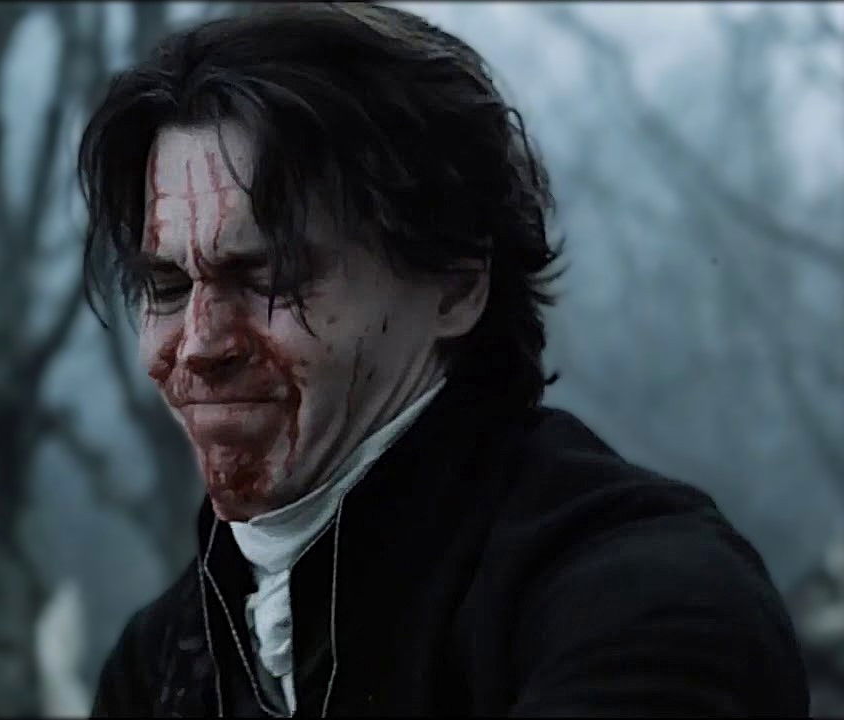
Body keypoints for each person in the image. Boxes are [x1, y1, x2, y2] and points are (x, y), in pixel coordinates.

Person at [77, 3, 809, 716]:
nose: (199, 345)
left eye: (271, 276)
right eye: (166, 287)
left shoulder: (643, 601)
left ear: (456, 286)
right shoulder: (159, 661)